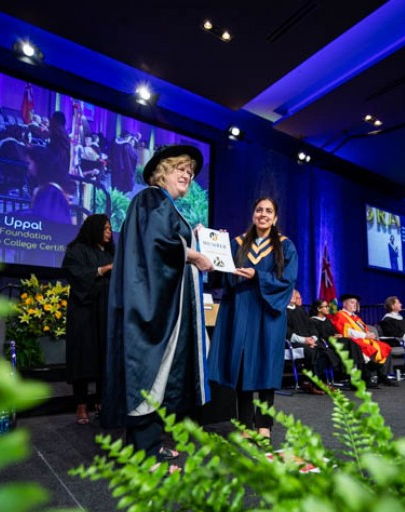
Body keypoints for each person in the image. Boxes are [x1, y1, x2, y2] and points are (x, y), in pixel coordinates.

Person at [104, 144, 213, 469]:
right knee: (149, 373)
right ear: (161, 171)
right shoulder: (151, 198)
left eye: (190, 172)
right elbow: (157, 244)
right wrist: (193, 254)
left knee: (159, 377)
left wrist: (193, 239)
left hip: (163, 307)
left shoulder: (161, 204)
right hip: (149, 308)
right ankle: (144, 454)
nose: (187, 175)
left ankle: (150, 444)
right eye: (180, 168)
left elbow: (165, 239)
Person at [208, 197, 298, 440]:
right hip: (239, 309)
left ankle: (264, 425)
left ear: (275, 218)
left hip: (267, 313)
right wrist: (216, 249)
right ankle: (246, 424)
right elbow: (221, 275)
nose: (263, 214)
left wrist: (258, 275)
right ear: (253, 214)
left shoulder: (285, 246)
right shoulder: (237, 243)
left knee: (266, 368)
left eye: (269, 211)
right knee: (241, 365)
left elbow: (287, 280)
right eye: (259, 210)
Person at [62, 214, 114, 425]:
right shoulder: (77, 250)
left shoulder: (111, 252)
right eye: (105, 229)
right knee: (83, 358)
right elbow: (74, 275)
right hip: (84, 312)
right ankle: (81, 405)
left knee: (105, 356)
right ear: (94, 229)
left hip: (106, 311)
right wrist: (102, 270)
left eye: (110, 229)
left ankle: (102, 401)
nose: (110, 232)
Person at [330, 293, 392, 388]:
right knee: (369, 349)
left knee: (385, 347)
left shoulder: (356, 317)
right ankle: (366, 377)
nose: (355, 305)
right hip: (351, 341)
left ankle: (382, 376)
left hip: (363, 339)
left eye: (355, 303)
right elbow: (347, 331)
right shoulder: (340, 315)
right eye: (352, 302)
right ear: (344, 304)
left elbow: (364, 329)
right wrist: (365, 335)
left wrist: (370, 335)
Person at [309, 298, 365, 385]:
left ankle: (355, 373)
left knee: (351, 343)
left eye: (328, 306)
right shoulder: (313, 321)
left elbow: (334, 332)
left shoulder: (327, 320)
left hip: (335, 341)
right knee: (349, 343)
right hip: (326, 343)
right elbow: (318, 336)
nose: (328, 308)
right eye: (326, 306)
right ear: (319, 309)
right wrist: (332, 336)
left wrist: (337, 335)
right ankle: (353, 374)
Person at [286, 289, 328, 395]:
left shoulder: (301, 311)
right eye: (292, 293)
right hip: (292, 343)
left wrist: (313, 338)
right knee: (311, 351)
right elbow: (286, 332)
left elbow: (311, 327)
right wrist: (305, 340)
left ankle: (310, 382)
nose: (295, 295)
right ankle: (316, 384)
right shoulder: (283, 312)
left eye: (295, 293)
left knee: (325, 350)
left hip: (308, 341)